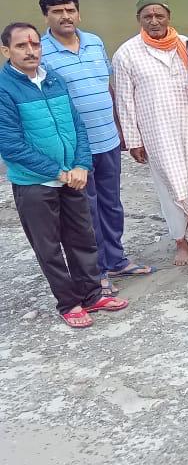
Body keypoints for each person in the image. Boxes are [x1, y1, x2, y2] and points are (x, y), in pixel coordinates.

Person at [0, 22, 129, 327]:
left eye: (35, 44)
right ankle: (69, 303)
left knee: (83, 237)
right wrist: (59, 172)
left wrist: (82, 164)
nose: (30, 51)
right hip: (35, 183)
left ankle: (92, 295)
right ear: (6, 51)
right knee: (49, 247)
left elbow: (78, 126)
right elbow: (10, 145)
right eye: (21, 46)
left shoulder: (54, 79)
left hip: (73, 176)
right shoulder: (5, 90)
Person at [38, 0, 152, 287]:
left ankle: (116, 260)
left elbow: (106, 86)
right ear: (46, 16)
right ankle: (95, 270)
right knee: (84, 209)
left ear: (78, 13)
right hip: (75, 147)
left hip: (107, 139)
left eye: (70, 10)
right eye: (57, 12)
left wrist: (121, 128)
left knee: (111, 203)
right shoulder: (41, 52)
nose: (65, 16)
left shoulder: (94, 42)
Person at [112, 0, 188, 267]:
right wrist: (133, 140)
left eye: (159, 15)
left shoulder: (187, 44)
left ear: (169, 16)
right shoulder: (126, 53)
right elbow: (124, 101)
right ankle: (180, 243)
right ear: (139, 19)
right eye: (147, 16)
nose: (154, 21)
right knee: (170, 187)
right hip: (157, 134)